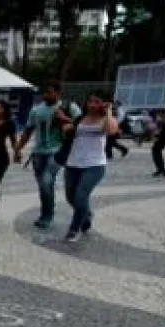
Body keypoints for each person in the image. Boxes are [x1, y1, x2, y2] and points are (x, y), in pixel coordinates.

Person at [16, 81, 81, 229]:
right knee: (44, 186)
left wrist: (66, 119)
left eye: (50, 92)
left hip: (57, 151)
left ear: (58, 93)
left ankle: (48, 215)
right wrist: (18, 149)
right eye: (44, 92)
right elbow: (27, 132)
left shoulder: (69, 106)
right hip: (38, 153)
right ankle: (47, 213)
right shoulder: (36, 111)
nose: (46, 95)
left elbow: (82, 125)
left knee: (46, 181)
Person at [62, 91, 120, 242]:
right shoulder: (80, 119)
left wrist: (108, 111)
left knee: (81, 195)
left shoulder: (107, 119)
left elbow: (110, 131)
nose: (93, 104)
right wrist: (67, 128)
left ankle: (74, 229)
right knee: (71, 197)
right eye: (90, 101)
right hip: (73, 162)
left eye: (97, 101)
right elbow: (68, 132)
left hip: (95, 164)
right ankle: (86, 215)